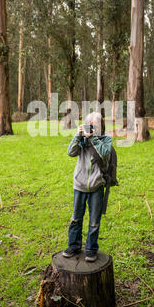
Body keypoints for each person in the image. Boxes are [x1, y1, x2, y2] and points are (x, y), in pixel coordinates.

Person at [63, 112, 112, 262]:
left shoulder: (106, 140)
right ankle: (74, 245)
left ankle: (91, 249)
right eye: (88, 125)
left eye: (94, 126)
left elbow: (104, 153)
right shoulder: (81, 140)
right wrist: (78, 136)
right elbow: (70, 152)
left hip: (96, 186)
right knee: (76, 219)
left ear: (100, 126)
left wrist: (94, 138)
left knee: (94, 222)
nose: (91, 128)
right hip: (79, 185)